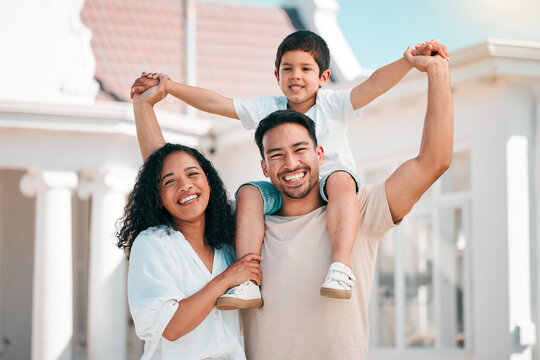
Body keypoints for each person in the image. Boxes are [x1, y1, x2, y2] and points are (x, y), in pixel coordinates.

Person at [132, 42, 453, 359]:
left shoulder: (359, 210)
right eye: (276, 154)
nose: (290, 163)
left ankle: (338, 267)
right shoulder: (248, 227)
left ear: (320, 153)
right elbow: (175, 184)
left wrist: (436, 72)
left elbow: (433, 161)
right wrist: (145, 107)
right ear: (264, 167)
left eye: (300, 150)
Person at [117, 85, 263, 359]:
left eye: (193, 174)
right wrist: (227, 279)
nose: (185, 186)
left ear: (209, 182)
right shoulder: (154, 244)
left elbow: (163, 165)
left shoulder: (227, 242)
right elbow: (171, 327)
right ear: (158, 197)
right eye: (169, 182)